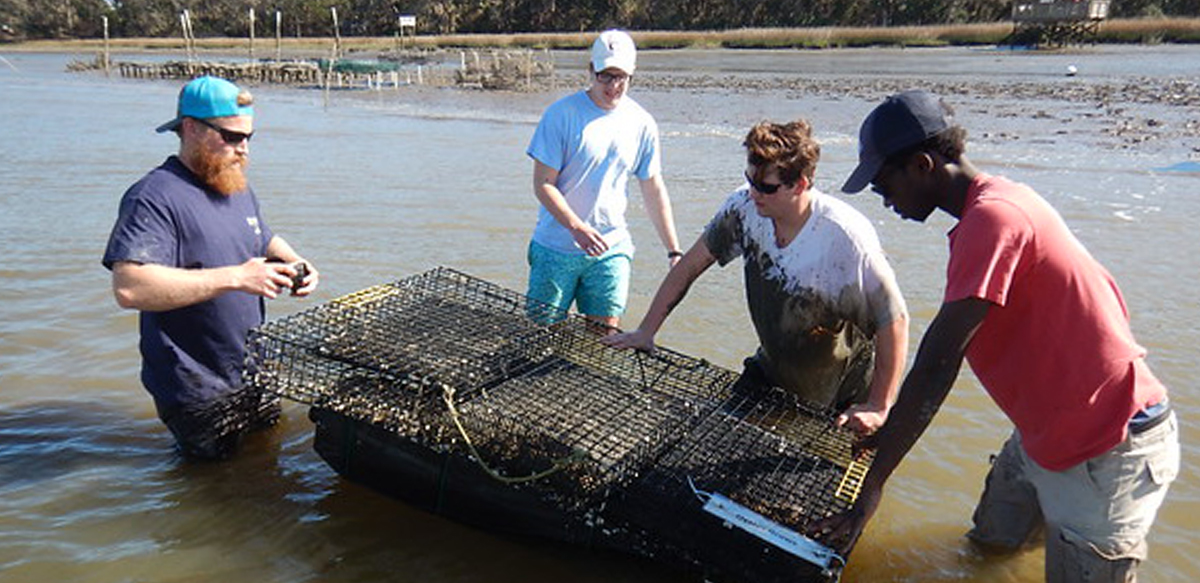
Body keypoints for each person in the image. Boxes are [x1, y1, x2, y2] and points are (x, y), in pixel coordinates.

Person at [817, 89, 1179, 581]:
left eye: (884, 183)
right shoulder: (992, 207)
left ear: (922, 165)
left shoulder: (994, 219)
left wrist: (876, 481)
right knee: (988, 550)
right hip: (1042, 432)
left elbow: (939, 360)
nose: (884, 199)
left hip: (1108, 444)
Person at [603, 120, 909, 435]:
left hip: (842, 391)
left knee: (826, 473)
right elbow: (689, 267)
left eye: (766, 187)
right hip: (772, 367)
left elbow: (894, 319)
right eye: (750, 180)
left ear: (801, 184)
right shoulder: (743, 208)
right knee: (716, 438)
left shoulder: (845, 239)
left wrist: (879, 406)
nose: (754, 193)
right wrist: (646, 330)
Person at [102, 76, 320, 460]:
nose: (243, 149)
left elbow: (261, 234)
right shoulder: (154, 197)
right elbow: (130, 287)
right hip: (195, 389)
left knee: (268, 468)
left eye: (249, 137)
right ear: (190, 128)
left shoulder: (233, 183)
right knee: (215, 494)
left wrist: (296, 260)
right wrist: (237, 277)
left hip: (253, 373)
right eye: (231, 137)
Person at [525, 29, 682, 329]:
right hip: (556, 246)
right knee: (540, 332)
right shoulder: (561, 115)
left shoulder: (642, 123)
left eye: (621, 77)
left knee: (604, 333)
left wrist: (674, 251)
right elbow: (543, 184)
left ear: (632, 74)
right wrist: (576, 227)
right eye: (605, 76)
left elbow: (653, 188)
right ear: (591, 71)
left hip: (612, 246)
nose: (613, 86)